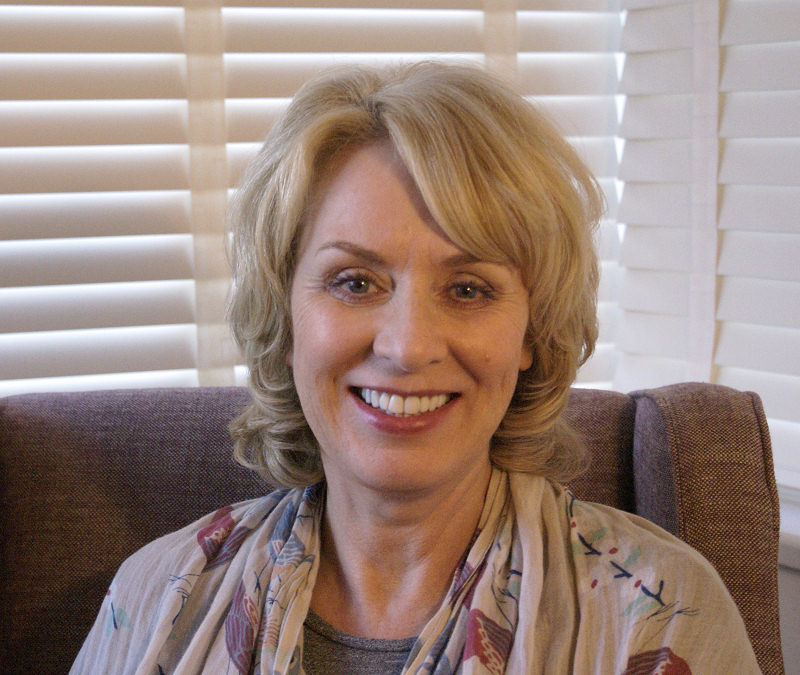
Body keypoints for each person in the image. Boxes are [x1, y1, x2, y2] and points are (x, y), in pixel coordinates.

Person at [71, 62, 759, 674]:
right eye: (355, 282)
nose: (407, 346)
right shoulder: (158, 598)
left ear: (531, 330)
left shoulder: (660, 612)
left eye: (468, 289)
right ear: (285, 320)